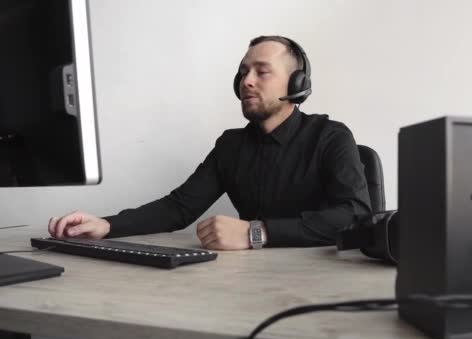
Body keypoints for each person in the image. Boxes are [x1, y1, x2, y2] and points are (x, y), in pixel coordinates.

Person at [48, 35, 371, 250]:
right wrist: (106, 225)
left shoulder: (331, 137)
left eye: (262, 71)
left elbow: (354, 215)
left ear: (297, 85)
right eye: (243, 72)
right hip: (249, 283)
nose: (247, 81)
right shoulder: (231, 146)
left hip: (320, 285)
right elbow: (178, 207)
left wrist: (255, 233)